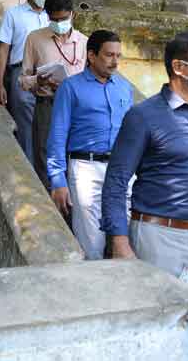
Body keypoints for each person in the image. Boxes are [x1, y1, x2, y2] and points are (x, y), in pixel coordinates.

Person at [100, 31, 188, 316]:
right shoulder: (143, 116)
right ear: (178, 67)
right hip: (158, 235)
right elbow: (115, 181)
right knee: (162, 320)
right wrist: (119, 241)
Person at [47, 30, 132, 258]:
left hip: (120, 170)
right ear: (92, 56)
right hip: (85, 169)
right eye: (108, 55)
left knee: (126, 239)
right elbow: (57, 135)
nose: (114, 61)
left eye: (117, 55)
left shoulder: (124, 87)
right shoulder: (71, 88)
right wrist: (58, 180)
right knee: (91, 242)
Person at [20, 0, 87, 188]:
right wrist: (38, 81)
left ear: (72, 14)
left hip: (77, 109)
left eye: (64, 18)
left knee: (75, 159)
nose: (60, 24)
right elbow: (23, 80)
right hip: (47, 105)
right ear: (47, 16)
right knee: (45, 157)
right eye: (55, 19)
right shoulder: (35, 39)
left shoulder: (83, 42)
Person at [0, 0, 55, 163]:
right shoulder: (14, 15)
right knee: (26, 129)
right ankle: (29, 174)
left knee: (49, 128)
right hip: (21, 73)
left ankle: (47, 177)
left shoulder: (54, 17)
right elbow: (3, 49)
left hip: (50, 76)